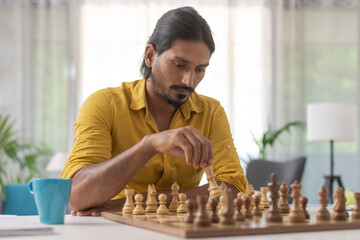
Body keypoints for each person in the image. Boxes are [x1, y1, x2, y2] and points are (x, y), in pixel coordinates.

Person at [60, 6, 248, 216]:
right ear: (150, 56)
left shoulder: (211, 112)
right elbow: (77, 196)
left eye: (200, 69)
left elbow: (234, 188)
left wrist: (129, 205)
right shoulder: (104, 104)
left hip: (182, 231)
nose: (189, 80)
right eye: (179, 64)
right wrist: (149, 145)